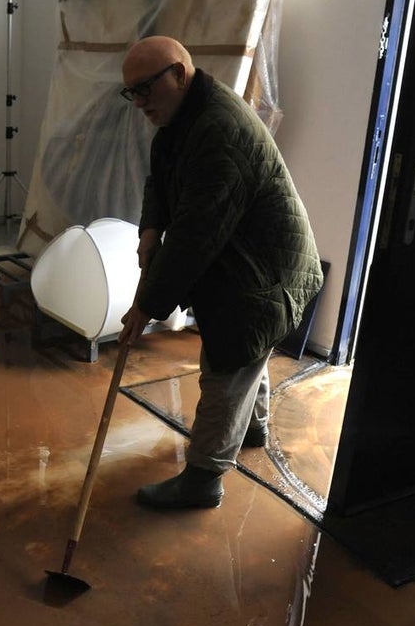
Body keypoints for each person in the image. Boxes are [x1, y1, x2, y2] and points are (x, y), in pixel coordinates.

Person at [117, 35, 323, 509]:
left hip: (266, 272)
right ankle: (252, 429)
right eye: (132, 92)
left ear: (179, 73)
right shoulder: (179, 117)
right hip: (251, 259)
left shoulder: (219, 131)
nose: (139, 102)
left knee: (230, 358)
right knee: (250, 348)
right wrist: (150, 229)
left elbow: (194, 237)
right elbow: (160, 179)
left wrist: (146, 305)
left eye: (145, 87)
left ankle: (204, 478)